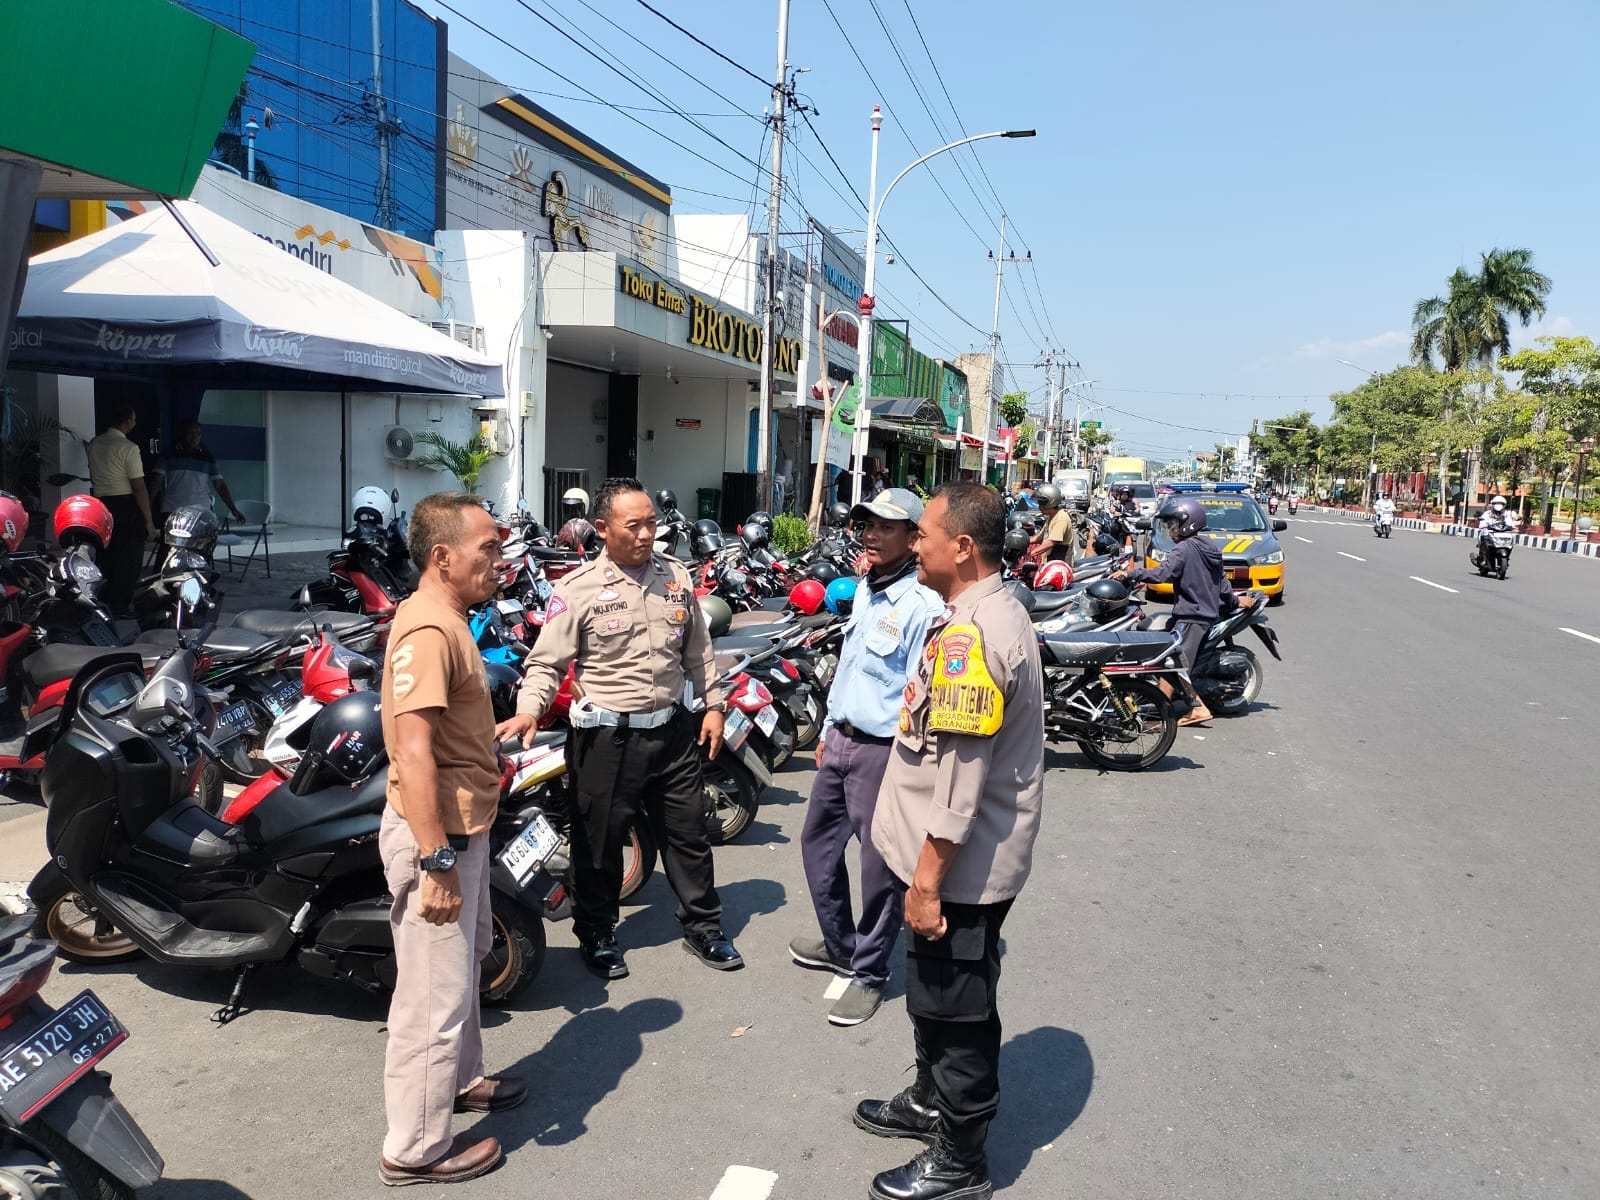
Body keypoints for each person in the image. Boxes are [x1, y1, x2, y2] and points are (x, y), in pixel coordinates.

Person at [855, 482, 1044, 1200]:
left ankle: (960, 1160)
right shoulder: (974, 611)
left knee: (957, 1010)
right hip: (949, 865)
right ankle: (929, 1101)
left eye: (926, 532)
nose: (917, 543)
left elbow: (962, 781)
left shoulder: (973, 633)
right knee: (933, 997)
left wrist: (928, 881)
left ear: (962, 548)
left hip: (959, 873)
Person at [498, 476, 741, 978]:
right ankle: (597, 932)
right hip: (608, 739)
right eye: (635, 525)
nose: (647, 533)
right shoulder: (578, 589)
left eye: (651, 522)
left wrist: (713, 705)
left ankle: (704, 927)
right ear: (604, 528)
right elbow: (546, 663)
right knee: (598, 841)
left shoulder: (676, 577)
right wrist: (529, 709)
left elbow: (698, 650)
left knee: (688, 835)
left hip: (672, 732)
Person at [377, 492, 523, 1188]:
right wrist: (436, 862)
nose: (499, 561)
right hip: (439, 838)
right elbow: (412, 752)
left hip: (467, 829)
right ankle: (415, 1149)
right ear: (443, 558)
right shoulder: (429, 631)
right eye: (486, 550)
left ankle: (460, 1082)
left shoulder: (450, 619)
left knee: (464, 967)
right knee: (430, 1001)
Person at [792, 488, 942, 1027]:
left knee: (879, 869)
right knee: (817, 845)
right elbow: (852, 666)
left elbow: (921, 693)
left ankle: (870, 972)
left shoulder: (923, 606)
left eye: (885, 526)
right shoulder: (864, 590)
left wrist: (912, 764)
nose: (872, 534)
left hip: (886, 753)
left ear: (912, 537)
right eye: (867, 524)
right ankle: (842, 945)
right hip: (841, 742)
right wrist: (828, 728)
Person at [1112, 496, 1237, 727]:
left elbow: (1162, 573)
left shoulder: (1184, 549)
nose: (1170, 529)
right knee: (1167, 660)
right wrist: (1235, 602)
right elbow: (1222, 583)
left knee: (1173, 663)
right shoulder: (1210, 547)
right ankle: (1161, 709)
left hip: (1190, 617)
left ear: (1188, 523)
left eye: (1174, 524)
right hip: (1204, 616)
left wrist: (1130, 575)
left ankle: (1197, 708)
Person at [86, 405, 156, 616]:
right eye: (133, 420)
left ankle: (103, 601)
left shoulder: (94, 443)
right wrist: (149, 521)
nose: (135, 423)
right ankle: (121, 606)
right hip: (124, 506)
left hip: (100, 506)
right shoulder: (128, 447)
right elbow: (138, 487)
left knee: (106, 555)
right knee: (129, 560)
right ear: (127, 422)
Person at [152, 419, 245, 525]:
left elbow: (220, 486)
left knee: (201, 541)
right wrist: (147, 508)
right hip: (173, 509)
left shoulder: (207, 457)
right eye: (190, 433)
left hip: (201, 512)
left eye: (198, 433)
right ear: (181, 433)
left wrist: (233, 508)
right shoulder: (168, 454)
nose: (195, 437)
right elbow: (156, 482)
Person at [1031, 483, 1073, 562]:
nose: (1039, 507)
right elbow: (1039, 538)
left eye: (1041, 503)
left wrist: (1031, 553)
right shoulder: (1051, 516)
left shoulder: (1061, 518)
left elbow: (1051, 542)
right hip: (1051, 562)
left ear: (1050, 502)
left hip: (1060, 567)